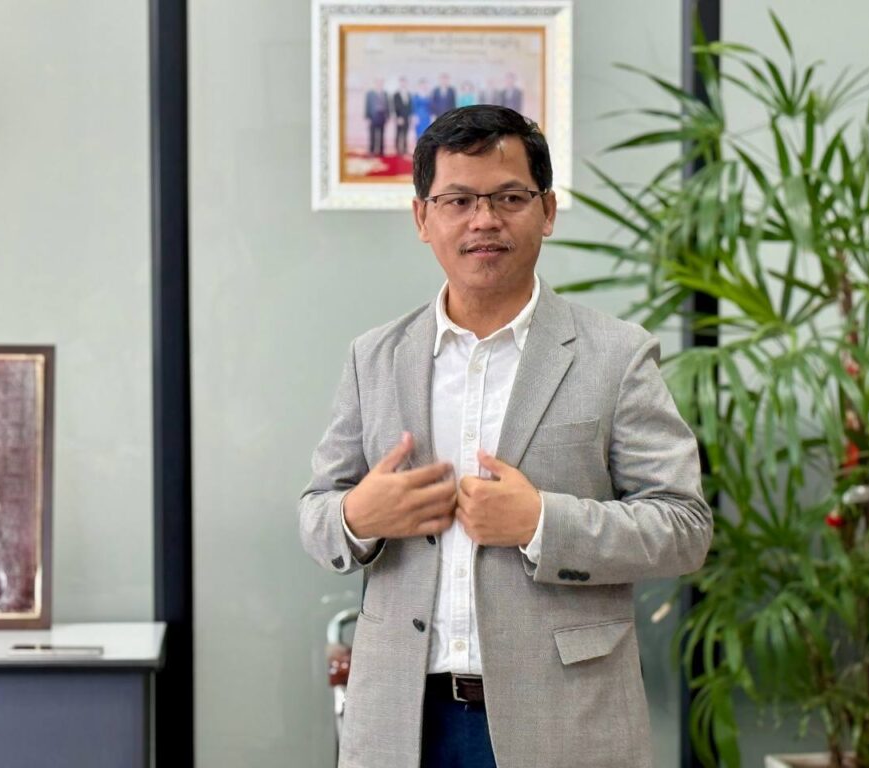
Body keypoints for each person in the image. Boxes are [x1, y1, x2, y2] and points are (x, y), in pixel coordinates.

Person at [300, 105, 712, 768]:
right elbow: (316, 515)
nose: (484, 219)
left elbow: (684, 528)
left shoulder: (616, 356)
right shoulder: (373, 357)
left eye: (509, 198)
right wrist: (357, 516)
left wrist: (542, 522)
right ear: (422, 218)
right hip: (401, 723)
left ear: (547, 211)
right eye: (458, 200)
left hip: (566, 723)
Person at [364, 79, 390, 156]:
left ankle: (381, 151)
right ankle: (372, 151)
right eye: (378, 83)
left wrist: (388, 116)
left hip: (382, 116)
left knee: (382, 135)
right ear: (375, 84)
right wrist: (367, 118)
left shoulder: (385, 93)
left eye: (381, 83)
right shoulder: (370, 94)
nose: (379, 84)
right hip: (373, 116)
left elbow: (388, 105)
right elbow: (367, 105)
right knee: (372, 135)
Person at [392, 77, 413, 156]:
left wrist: (410, 116)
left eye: (404, 82)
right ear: (400, 83)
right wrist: (398, 117)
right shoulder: (396, 94)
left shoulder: (409, 94)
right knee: (398, 133)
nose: (403, 84)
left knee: (405, 133)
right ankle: (397, 149)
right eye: (402, 82)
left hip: (407, 117)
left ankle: (404, 149)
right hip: (399, 117)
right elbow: (395, 107)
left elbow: (410, 106)